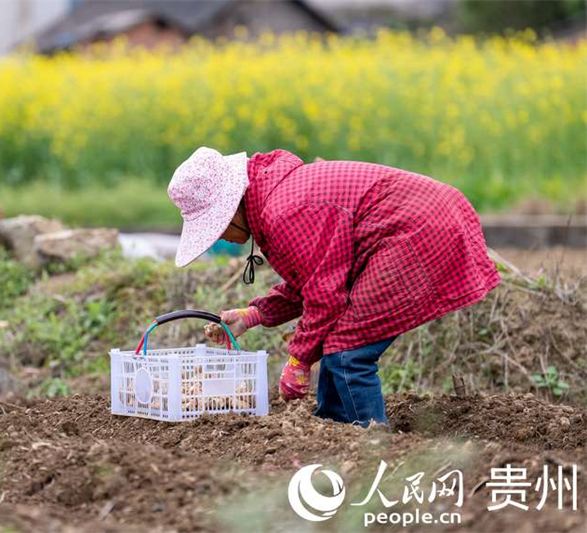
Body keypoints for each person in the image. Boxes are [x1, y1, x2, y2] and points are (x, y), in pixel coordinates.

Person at [167, 146, 501, 427]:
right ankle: (333, 428)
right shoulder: (274, 198)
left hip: (417, 228)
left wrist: (298, 360)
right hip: (425, 217)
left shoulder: (284, 211)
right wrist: (254, 314)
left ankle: (369, 442)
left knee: (347, 351)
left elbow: (325, 296)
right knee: (338, 341)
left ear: (234, 206)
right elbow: (314, 280)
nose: (221, 237)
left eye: (218, 226)